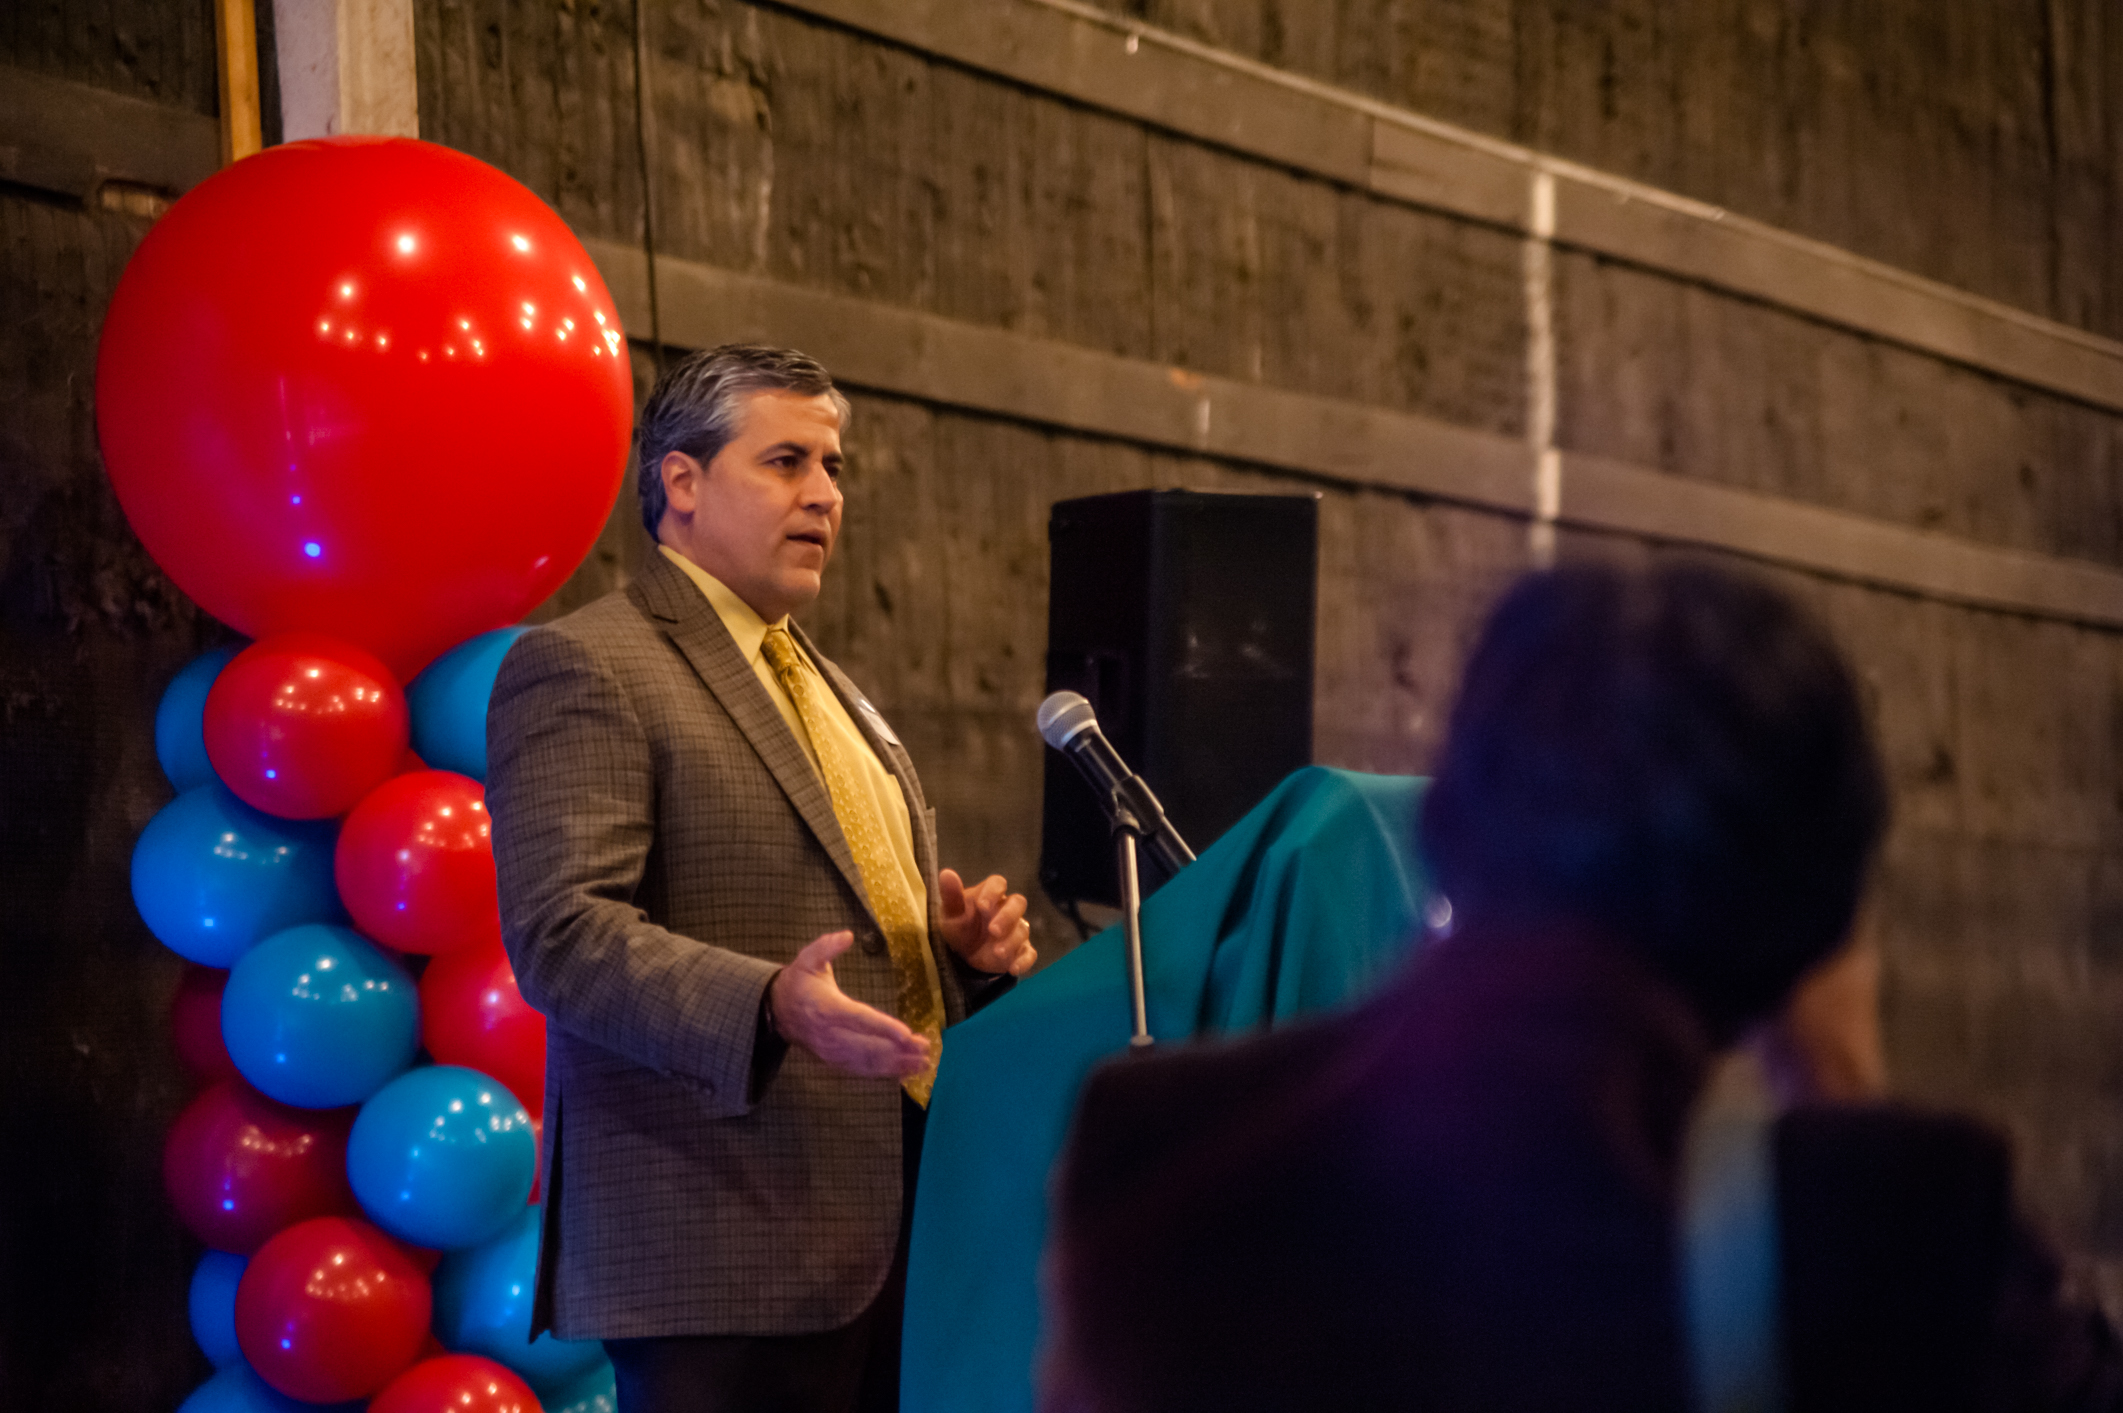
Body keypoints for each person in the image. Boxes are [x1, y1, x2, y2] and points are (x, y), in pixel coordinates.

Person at [1042, 559, 2123, 1413]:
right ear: (1816, 908)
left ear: (1450, 821)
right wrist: (1840, 1084)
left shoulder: (1156, 1155)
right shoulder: (1902, 1237)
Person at [486, 343, 1036, 1413]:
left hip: (893, 1238)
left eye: (833, 467)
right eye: (786, 462)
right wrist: (769, 1004)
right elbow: (562, 934)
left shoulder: (830, 685)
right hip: (723, 1248)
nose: (824, 495)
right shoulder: (590, 663)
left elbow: (855, 941)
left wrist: (953, 961)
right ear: (682, 482)